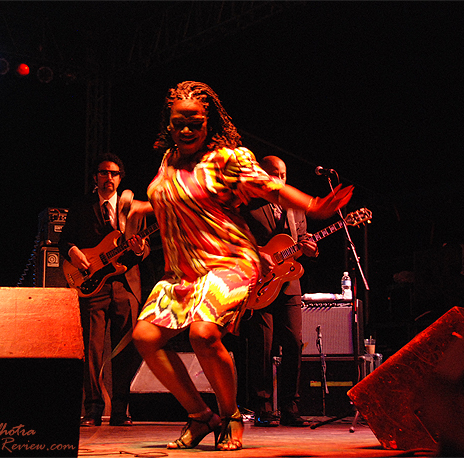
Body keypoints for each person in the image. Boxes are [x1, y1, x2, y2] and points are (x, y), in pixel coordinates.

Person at [130, 81, 353, 451]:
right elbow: (177, 199)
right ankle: (201, 416)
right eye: (177, 122)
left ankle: (230, 414)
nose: (185, 129)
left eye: (194, 121)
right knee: (145, 338)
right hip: (183, 270)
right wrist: (142, 206)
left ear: (209, 122)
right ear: (168, 124)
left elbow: (271, 188)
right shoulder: (169, 161)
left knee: (203, 334)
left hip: (229, 259)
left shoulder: (227, 159)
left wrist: (312, 206)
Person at [58, 153, 150, 427]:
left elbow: (141, 254)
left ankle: (121, 410)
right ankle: (93, 409)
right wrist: (74, 253)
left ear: (120, 178)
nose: (108, 178)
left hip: (125, 285)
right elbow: (65, 241)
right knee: (92, 348)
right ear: (95, 177)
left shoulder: (133, 209)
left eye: (113, 173)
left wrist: (139, 249)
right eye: (103, 173)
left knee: (125, 349)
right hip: (92, 286)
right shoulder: (82, 205)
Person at [240, 156, 318, 427]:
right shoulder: (248, 205)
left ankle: (290, 407)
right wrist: (258, 253)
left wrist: (310, 246)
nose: (279, 180)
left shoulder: (295, 209)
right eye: (274, 174)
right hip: (260, 283)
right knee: (262, 344)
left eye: (283, 175)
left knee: (294, 343)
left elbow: (302, 239)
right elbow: (237, 242)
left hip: (289, 284)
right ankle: (262, 407)